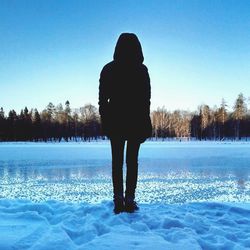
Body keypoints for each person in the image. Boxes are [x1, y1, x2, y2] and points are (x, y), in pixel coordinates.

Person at [98, 33, 152, 214]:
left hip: (116, 123)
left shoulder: (108, 69)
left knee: (117, 162)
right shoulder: (141, 70)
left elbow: (102, 101)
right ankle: (129, 200)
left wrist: (106, 120)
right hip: (135, 122)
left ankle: (118, 201)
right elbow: (146, 101)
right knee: (132, 162)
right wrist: (146, 123)